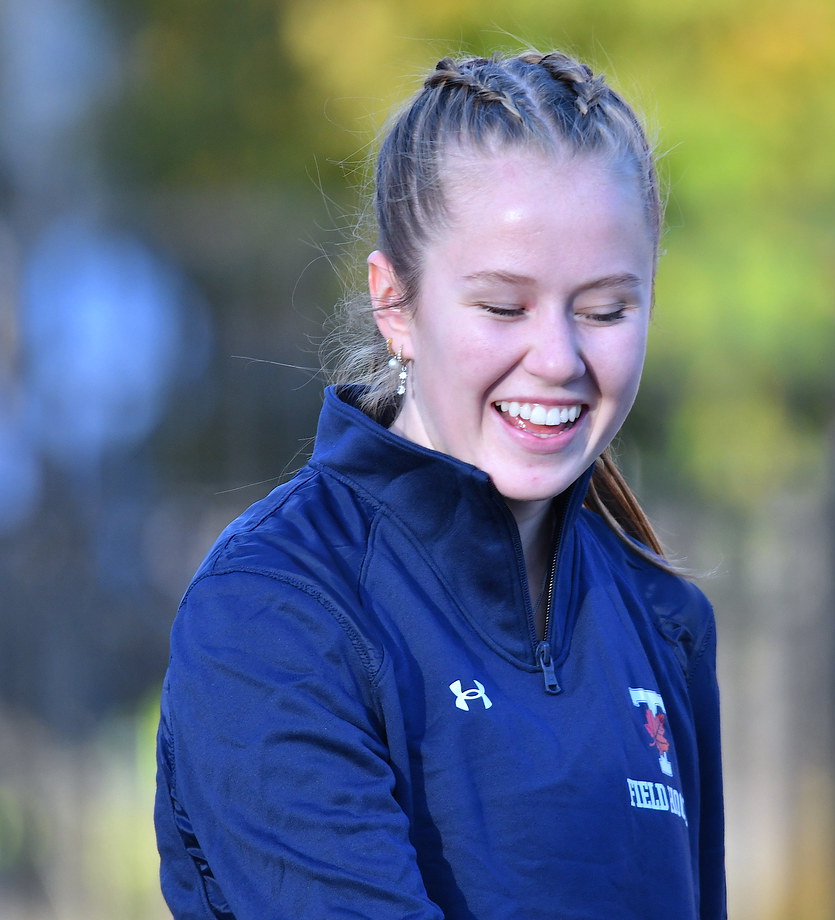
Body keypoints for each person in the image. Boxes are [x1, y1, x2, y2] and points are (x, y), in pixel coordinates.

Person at [154, 49, 726, 920]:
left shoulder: (664, 620)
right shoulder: (275, 611)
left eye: (607, 310)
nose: (561, 359)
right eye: (504, 307)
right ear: (395, 304)